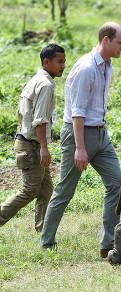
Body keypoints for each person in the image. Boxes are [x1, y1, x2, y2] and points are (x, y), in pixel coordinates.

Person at [40, 22, 121, 259]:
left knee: (117, 184)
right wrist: (80, 148)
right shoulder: (86, 68)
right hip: (80, 133)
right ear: (106, 40)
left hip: (101, 133)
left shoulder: (107, 65)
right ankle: (46, 243)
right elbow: (77, 112)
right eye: (120, 43)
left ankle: (108, 244)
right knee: (65, 190)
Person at [0, 44, 66, 232]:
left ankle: (44, 230)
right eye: (59, 62)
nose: (63, 66)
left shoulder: (37, 79)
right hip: (31, 146)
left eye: (64, 62)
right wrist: (44, 148)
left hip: (28, 142)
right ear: (46, 62)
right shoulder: (45, 85)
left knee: (45, 190)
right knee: (29, 190)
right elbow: (39, 120)